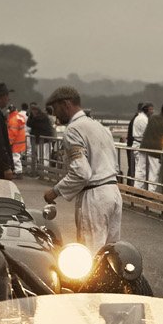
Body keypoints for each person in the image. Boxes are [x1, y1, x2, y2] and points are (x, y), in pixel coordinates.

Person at [43, 85, 124, 249]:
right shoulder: (99, 127)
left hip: (94, 196)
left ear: (66, 104)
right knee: (111, 253)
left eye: (56, 108)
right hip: (113, 192)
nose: (55, 114)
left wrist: (55, 191)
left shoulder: (73, 130)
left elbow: (81, 173)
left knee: (91, 255)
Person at [126, 102, 150, 181]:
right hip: (137, 145)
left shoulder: (136, 118)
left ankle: (132, 188)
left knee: (134, 168)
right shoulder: (142, 119)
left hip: (133, 145)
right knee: (138, 170)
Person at [8, 102, 28, 175]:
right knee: (17, 156)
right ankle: (17, 171)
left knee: (15, 157)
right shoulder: (19, 116)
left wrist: (10, 142)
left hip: (16, 141)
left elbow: (13, 133)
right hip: (21, 140)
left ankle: (18, 172)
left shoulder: (13, 119)